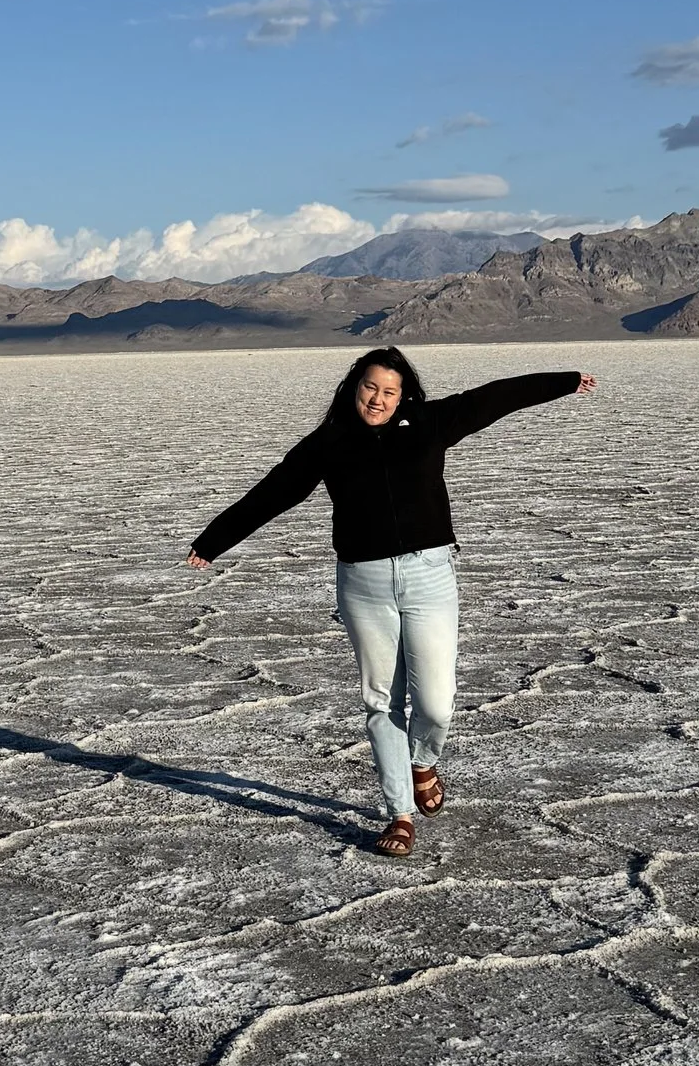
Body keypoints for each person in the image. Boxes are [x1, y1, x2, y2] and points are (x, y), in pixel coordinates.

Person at [187, 347, 595, 856]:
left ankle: (423, 760)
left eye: (389, 391)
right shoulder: (328, 442)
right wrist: (213, 541)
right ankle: (399, 813)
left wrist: (564, 380)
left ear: (404, 395)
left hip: (429, 576)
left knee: (435, 702)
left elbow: (496, 398)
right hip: (363, 582)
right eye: (369, 387)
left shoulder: (429, 422)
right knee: (381, 700)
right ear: (353, 386)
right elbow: (274, 492)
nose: (377, 399)